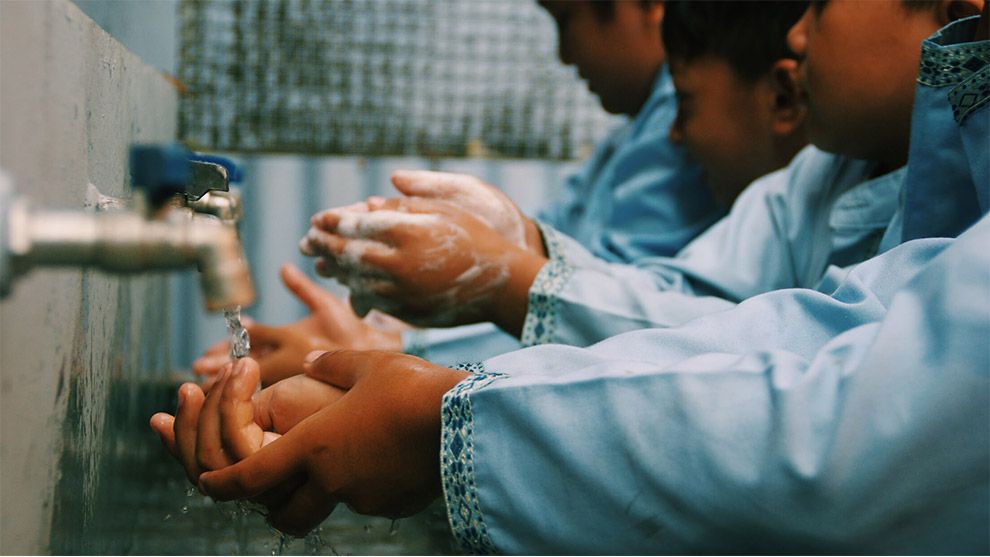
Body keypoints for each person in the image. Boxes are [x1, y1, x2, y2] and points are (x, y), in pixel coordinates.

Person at [152, 4, 989, 552]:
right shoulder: (828, 182)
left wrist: (440, 412)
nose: (799, 34)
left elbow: (833, 434)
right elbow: (725, 332)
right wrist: (420, 372)